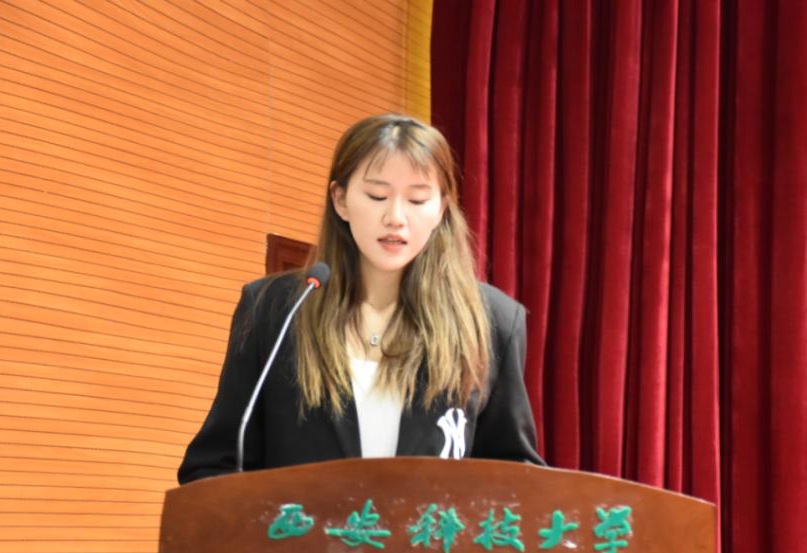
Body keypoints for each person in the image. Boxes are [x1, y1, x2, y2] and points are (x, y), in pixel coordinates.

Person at [178, 114, 544, 484]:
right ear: (340, 200)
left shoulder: (491, 321)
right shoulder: (273, 310)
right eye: (377, 196)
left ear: (441, 209)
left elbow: (516, 480)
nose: (396, 217)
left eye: (417, 199)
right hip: (301, 524)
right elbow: (214, 466)